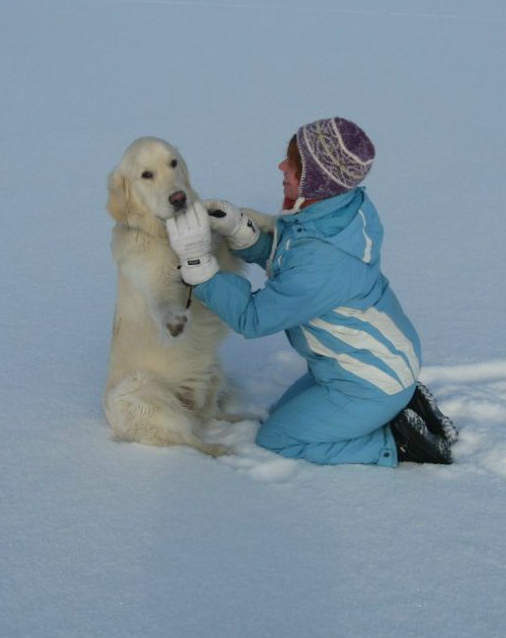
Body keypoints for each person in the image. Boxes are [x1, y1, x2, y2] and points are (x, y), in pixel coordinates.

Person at [165, 117, 458, 466]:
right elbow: (295, 261)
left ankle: (398, 442)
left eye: (293, 165)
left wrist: (199, 266)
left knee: (279, 438)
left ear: (316, 182)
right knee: (280, 414)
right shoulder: (334, 212)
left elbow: (254, 319)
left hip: (370, 380)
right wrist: (245, 234)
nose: (281, 167)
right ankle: (398, 405)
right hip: (366, 361)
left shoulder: (324, 261)